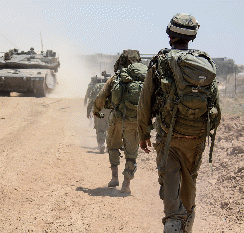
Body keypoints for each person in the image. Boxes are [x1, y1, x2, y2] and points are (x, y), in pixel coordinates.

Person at [137, 13, 221, 232]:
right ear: (191, 37)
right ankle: (187, 225)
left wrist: (143, 133)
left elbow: (145, 102)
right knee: (189, 185)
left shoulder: (161, 61)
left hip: (169, 138)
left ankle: (175, 221)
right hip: (196, 138)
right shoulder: (204, 63)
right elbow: (215, 106)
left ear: (169, 35)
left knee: (171, 198)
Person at [93, 50, 147, 194]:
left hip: (117, 118)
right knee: (131, 153)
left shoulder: (117, 77)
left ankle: (114, 177)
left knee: (112, 145)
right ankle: (126, 184)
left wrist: (96, 110)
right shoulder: (145, 78)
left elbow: (101, 96)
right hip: (135, 121)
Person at [86, 76, 111, 154]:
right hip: (110, 111)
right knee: (110, 129)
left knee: (100, 128)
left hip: (99, 111)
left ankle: (101, 144)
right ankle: (110, 146)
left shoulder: (96, 87)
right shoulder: (111, 86)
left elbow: (91, 100)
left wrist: (88, 111)